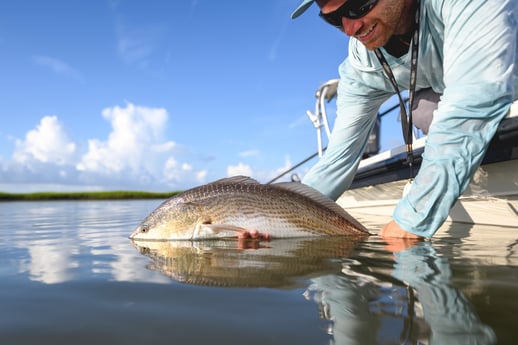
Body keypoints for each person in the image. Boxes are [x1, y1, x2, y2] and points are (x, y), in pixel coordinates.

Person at [291, 0, 518, 238]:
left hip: (492, 90)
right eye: (334, 19)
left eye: (357, 6)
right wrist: (276, 217)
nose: (349, 29)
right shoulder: (362, 66)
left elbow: (473, 101)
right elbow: (336, 160)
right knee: (421, 111)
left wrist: (411, 220)